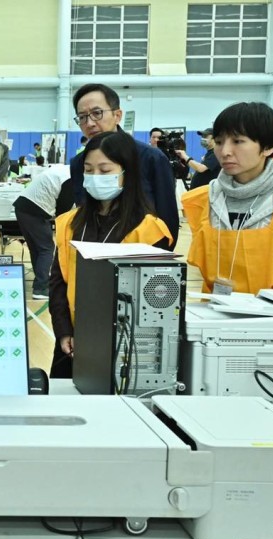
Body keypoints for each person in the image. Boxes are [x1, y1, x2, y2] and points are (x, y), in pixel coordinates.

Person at [49, 131, 173, 378]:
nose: (96, 177)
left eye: (105, 171)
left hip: (126, 346)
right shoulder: (70, 222)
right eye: (89, 169)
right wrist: (64, 331)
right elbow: (57, 281)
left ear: (127, 172)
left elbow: (154, 302)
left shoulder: (149, 230)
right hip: (72, 340)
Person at [182, 102, 273, 297]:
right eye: (219, 141)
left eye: (238, 141)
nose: (225, 151)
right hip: (216, 315)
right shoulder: (204, 198)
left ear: (268, 147)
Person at [70, 83, 179, 247]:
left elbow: (167, 216)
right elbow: (83, 208)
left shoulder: (151, 158)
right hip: (92, 252)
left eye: (97, 113)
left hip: (141, 252)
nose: (90, 123)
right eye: (82, 117)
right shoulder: (79, 163)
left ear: (117, 115)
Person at [14, 164, 72, 299]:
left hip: (23, 207)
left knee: (37, 249)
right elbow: (63, 211)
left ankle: (41, 282)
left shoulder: (64, 170)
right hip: (34, 211)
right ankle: (41, 288)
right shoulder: (70, 178)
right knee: (46, 248)